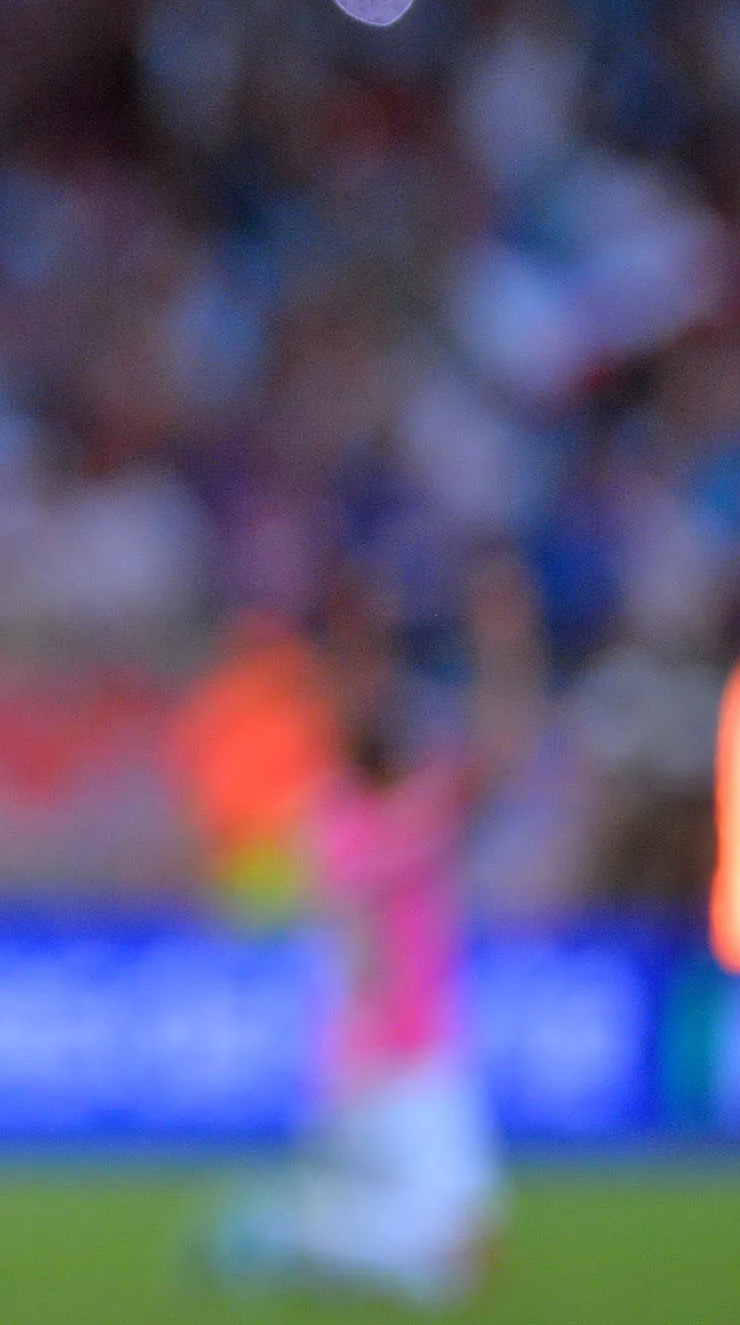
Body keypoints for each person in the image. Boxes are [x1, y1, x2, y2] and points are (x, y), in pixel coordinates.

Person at [206, 552, 538, 1308]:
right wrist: (507, 642)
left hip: (365, 1061)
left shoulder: (330, 820)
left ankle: (295, 1225)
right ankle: (281, 1231)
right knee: (457, 1255)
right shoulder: (401, 824)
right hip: (401, 1064)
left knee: (444, 1254)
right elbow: (500, 757)